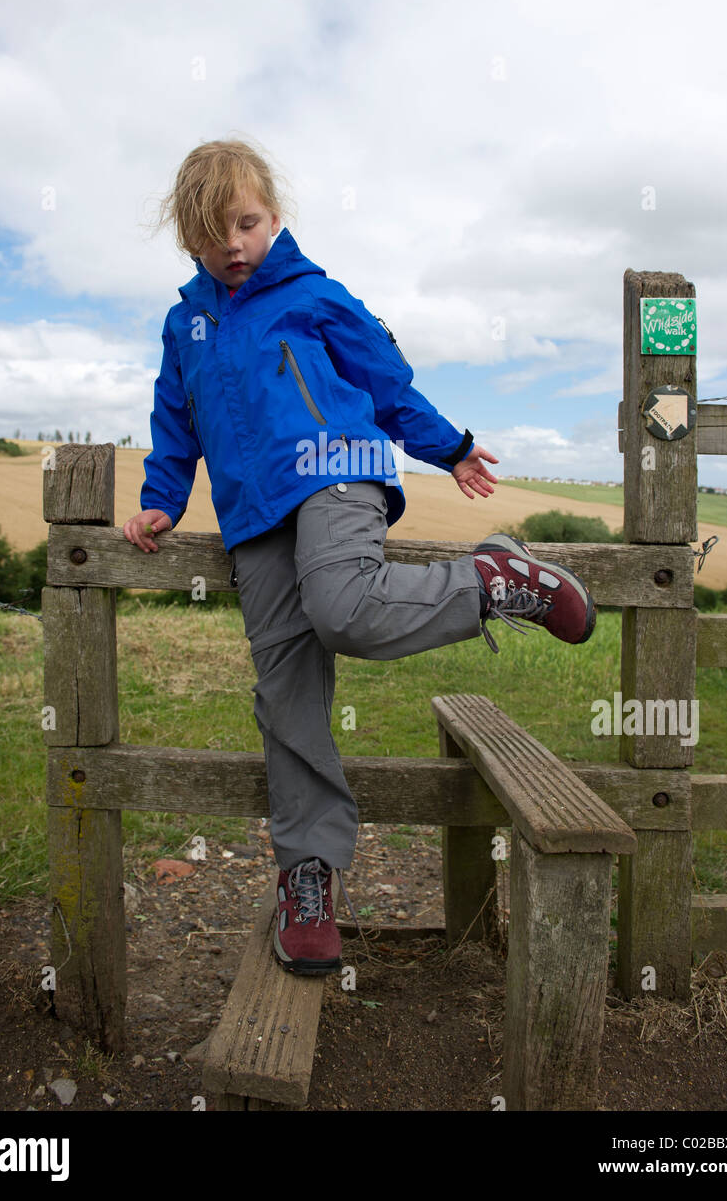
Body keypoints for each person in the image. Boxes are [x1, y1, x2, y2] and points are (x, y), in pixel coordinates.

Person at [124, 139, 596, 975]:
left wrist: (447, 446)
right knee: (285, 690)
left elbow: (385, 380)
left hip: (335, 473)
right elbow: (176, 416)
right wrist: (164, 496)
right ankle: (307, 875)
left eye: (248, 222)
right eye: (212, 232)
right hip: (252, 517)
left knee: (341, 607)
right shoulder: (185, 322)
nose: (233, 243)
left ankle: (493, 582)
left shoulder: (314, 295)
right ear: (187, 238)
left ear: (274, 216)